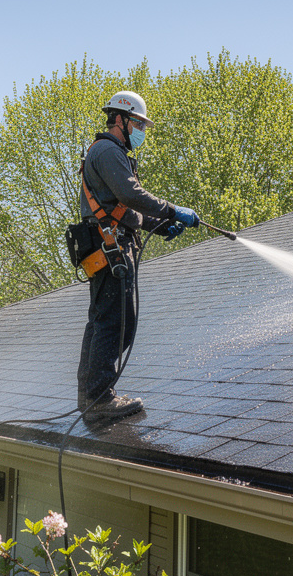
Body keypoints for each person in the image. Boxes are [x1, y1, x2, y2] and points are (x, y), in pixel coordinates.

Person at [76, 91, 200, 421]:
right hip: (109, 248)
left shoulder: (111, 153)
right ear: (120, 119)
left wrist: (160, 225)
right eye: (138, 123)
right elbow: (131, 194)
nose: (141, 130)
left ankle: (89, 394)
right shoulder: (107, 151)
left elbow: (124, 210)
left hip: (111, 244)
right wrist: (174, 210)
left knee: (106, 320)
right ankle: (100, 398)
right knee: (115, 322)